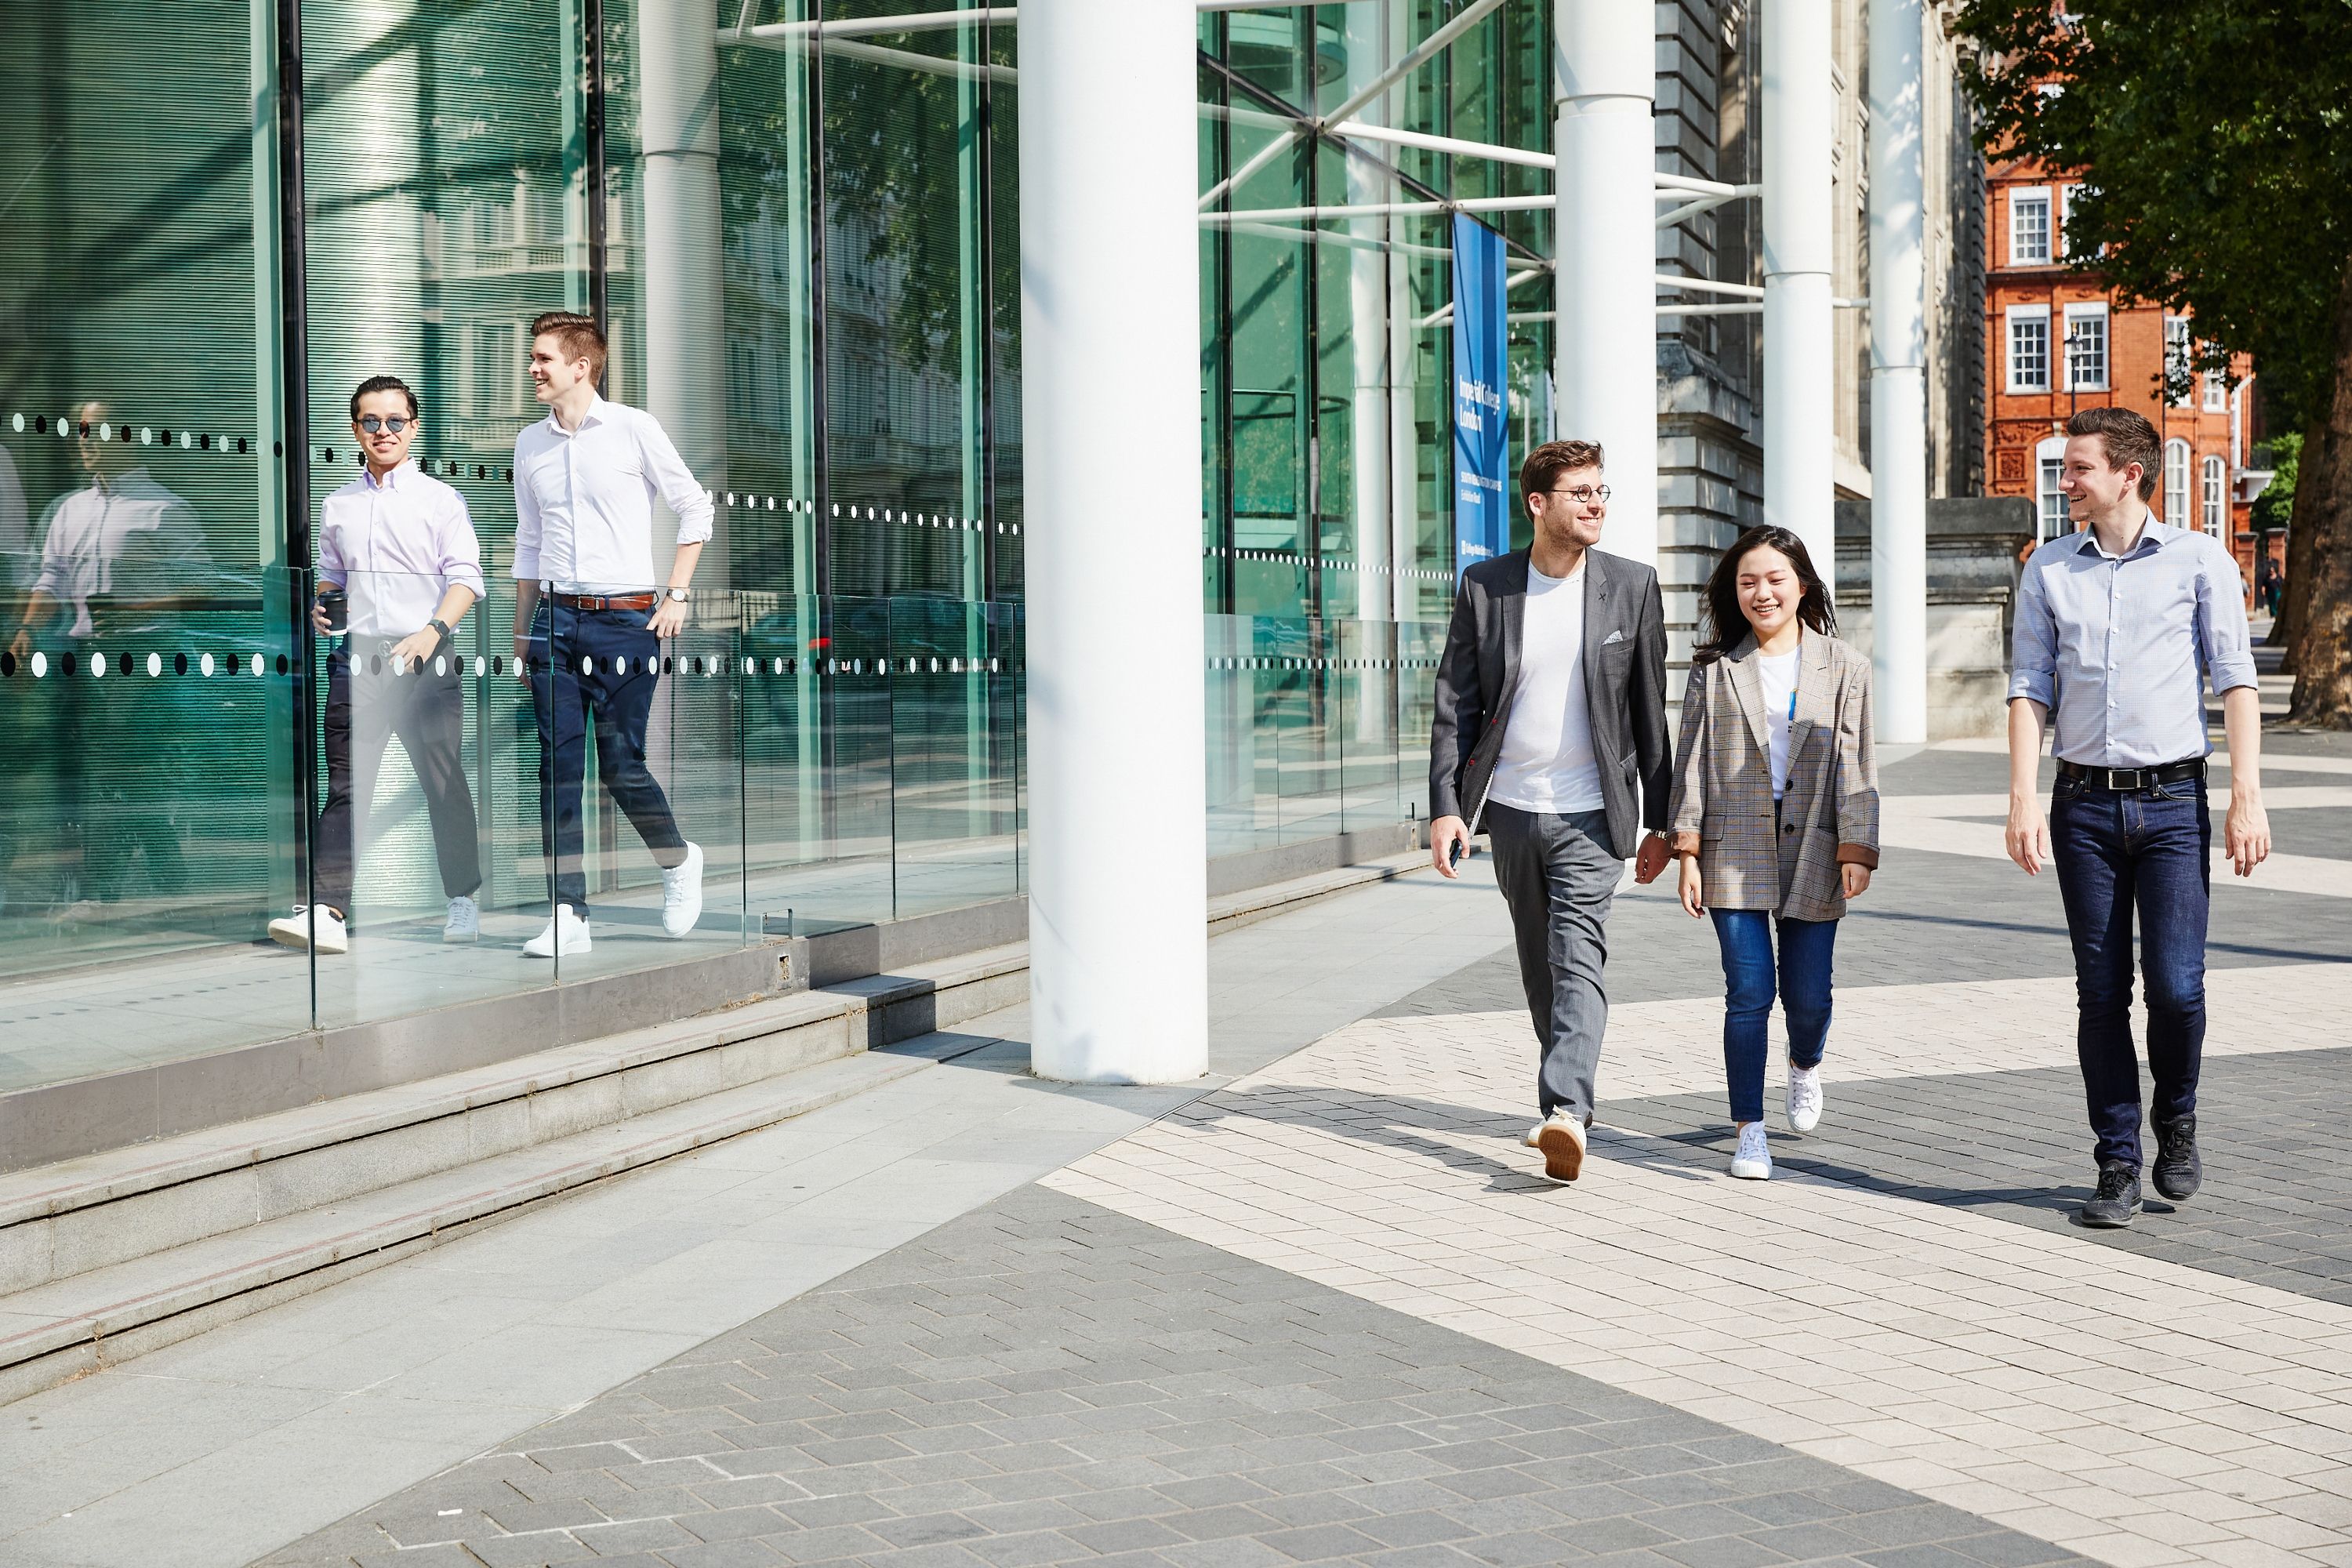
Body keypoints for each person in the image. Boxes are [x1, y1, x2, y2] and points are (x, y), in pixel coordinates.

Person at [2005, 406, 2270, 1229]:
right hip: (2081, 803)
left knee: (2178, 988)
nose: (2065, 479)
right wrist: (2021, 795)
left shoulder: (2199, 560)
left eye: (2079, 467)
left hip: (2174, 805)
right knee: (2100, 991)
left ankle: (2177, 1118)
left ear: (2129, 472)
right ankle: (2117, 1159)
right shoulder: (2048, 568)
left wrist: (2247, 794)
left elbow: (2235, 679)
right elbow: (2029, 686)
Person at [1428, 438, 1673, 1184]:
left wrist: (1660, 823)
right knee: (1543, 970)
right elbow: (1455, 706)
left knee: (1578, 958)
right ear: (1538, 503)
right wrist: (1446, 807)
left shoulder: (1632, 586)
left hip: (1593, 813)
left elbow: (1650, 711)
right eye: (1580, 493)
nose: (1597, 504)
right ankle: (1564, 1086)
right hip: (1510, 809)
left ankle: (1566, 1112)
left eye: (1602, 491)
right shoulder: (1488, 586)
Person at [1667, 526, 1878, 1181]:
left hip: (1813, 844)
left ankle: (1804, 1065)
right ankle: (1749, 1129)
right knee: (1749, 991)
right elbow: (1691, 764)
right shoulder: (1715, 670)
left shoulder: (1844, 665)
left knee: (1809, 998)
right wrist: (1688, 852)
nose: (1762, 593)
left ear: (1802, 585)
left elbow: (1856, 759)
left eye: (1774, 579)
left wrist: (1857, 846)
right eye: (1747, 581)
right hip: (1734, 849)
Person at [511, 311, 709, 958]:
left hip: (626, 621)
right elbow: (529, 543)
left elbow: (694, 506)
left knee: (621, 764)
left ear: (581, 366)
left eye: (543, 358)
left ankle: (678, 863)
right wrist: (522, 632)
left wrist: (676, 593)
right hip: (555, 622)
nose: (532, 368)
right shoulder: (529, 445)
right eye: (533, 357)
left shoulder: (633, 429)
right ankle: (568, 913)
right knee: (557, 770)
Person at [267, 376, 485, 955]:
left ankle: (463, 897)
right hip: (359, 659)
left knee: (442, 782)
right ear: (356, 429)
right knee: (346, 785)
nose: (383, 431)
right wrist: (323, 604)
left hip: (428, 660)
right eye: (371, 421)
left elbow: (466, 580)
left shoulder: (441, 501)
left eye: (394, 421)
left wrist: (430, 632)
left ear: (414, 428)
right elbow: (333, 575)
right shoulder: (339, 504)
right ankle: (328, 909)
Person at [9, 402, 205, 916]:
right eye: (80, 432)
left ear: (129, 436)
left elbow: (202, 588)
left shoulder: (163, 508)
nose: (85, 440)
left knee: (112, 770)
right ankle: (166, 869)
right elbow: (49, 578)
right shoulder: (68, 509)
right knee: (109, 771)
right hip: (82, 655)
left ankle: (101, 893)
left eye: (96, 431)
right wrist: (27, 630)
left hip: (144, 657)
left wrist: (133, 607)